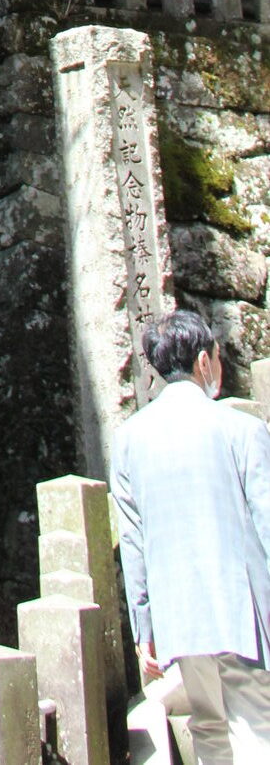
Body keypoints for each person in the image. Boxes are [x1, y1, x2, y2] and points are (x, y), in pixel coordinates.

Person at [111, 309, 270, 765]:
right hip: (245, 617)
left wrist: (144, 629)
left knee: (209, 727)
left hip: (179, 617)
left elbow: (134, 540)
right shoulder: (243, 430)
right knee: (256, 729)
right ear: (205, 361)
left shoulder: (130, 440)